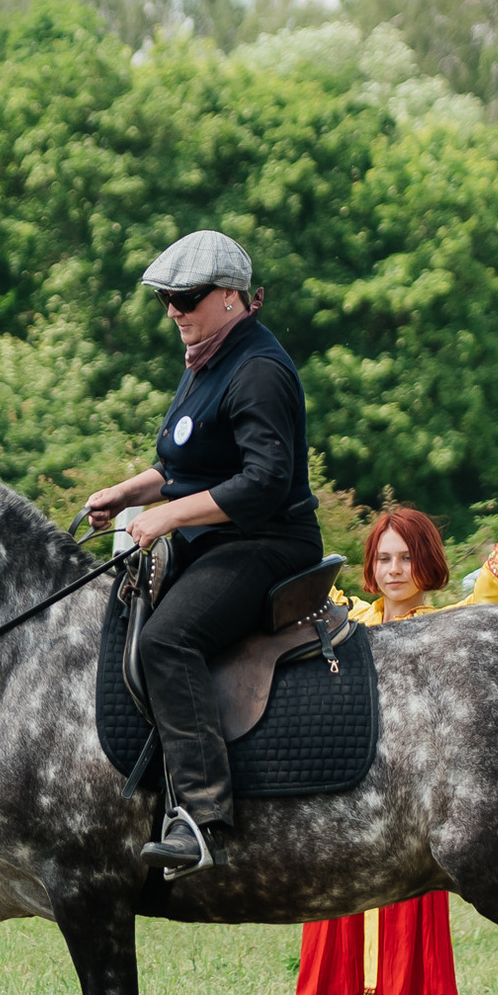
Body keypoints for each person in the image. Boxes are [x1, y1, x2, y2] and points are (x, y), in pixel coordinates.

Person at [291, 455, 498, 995]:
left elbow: (493, 594)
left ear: (426, 564)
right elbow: (303, 580)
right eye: (383, 557)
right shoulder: (346, 620)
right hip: (345, 815)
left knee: (422, 964)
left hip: (412, 823)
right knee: (333, 955)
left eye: (405, 557)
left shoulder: (446, 630)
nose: (393, 568)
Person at [84, 231, 323, 878]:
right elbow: (181, 467)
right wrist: (126, 493)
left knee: (167, 642)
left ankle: (199, 816)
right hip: (215, 539)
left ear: (230, 297)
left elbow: (263, 481)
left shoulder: (259, 370)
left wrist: (166, 516)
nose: (172, 311)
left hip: (267, 543)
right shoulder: (205, 362)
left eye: (184, 297)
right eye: (165, 298)